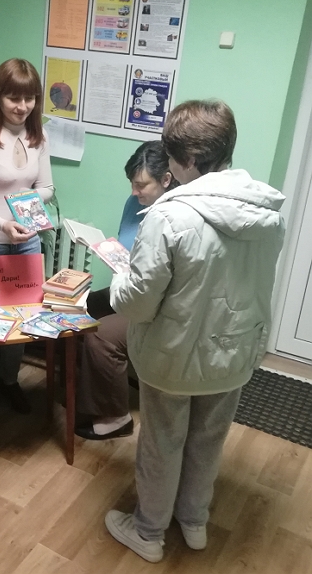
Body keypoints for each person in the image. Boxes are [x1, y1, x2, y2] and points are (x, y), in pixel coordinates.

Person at [103, 100, 286, 562]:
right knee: (208, 439)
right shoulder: (267, 214)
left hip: (174, 356)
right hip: (234, 352)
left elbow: (138, 303)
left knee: (162, 442)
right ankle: (194, 520)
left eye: (170, 157)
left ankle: (148, 532)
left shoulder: (169, 217)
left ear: (185, 159)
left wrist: (121, 279)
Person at [0, 58, 54, 417]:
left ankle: (10, 380)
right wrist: (4, 223)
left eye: (29, 98)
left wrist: (25, 204)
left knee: (23, 314)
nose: (22, 106)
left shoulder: (38, 137)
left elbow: (46, 188)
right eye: (14, 98)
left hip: (27, 238)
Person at [75, 141, 176, 441]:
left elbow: (161, 283)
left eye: (141, 185)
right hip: (130, 286)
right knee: (80, 307)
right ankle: (88, 391)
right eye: (132, 183)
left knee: (101, 335)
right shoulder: (135, 203)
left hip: (156, 303)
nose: (134, 192)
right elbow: (128, 249)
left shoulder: (175, 218)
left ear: (166, 180)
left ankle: (116, 417)